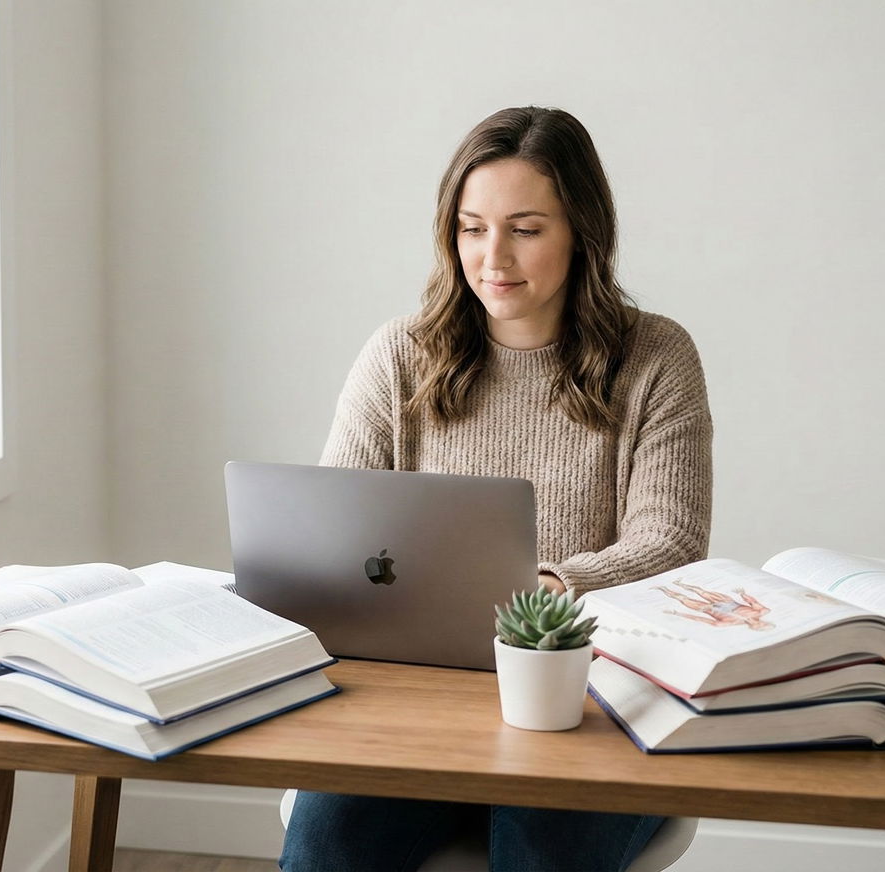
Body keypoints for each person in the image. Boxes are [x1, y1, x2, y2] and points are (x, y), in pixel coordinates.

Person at [278, 106, 712, 871]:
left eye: (526, 228)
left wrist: (541, 592)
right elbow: (332, 528)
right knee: (323, 851)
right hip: (417, 702)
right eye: (472, 228)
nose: (493, 257)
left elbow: (670, 542)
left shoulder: (656, 356)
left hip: (590, 703)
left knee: (542, 852)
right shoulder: (398, 355)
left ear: (583, 230)